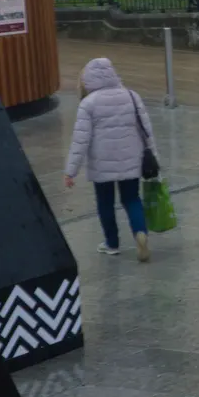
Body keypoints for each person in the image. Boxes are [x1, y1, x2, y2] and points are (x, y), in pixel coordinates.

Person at [64, 57, 155, 261]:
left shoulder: (88, 103)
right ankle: (140, 233)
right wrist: (154, 157)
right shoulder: (131, 96)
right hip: (131, 158)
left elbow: (80, 139)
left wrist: (71, 171)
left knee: (105, 203)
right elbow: (146, 130)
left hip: (101, 162)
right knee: (132, 199)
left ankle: (112, 244)